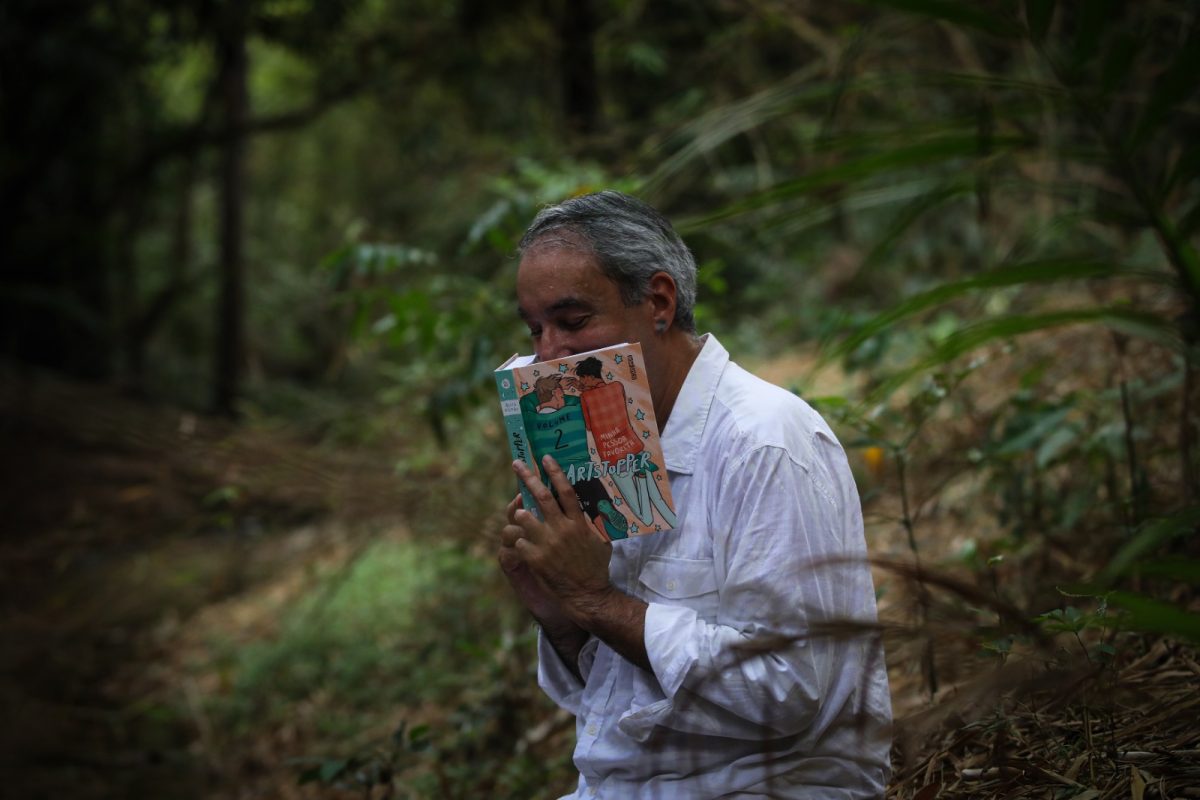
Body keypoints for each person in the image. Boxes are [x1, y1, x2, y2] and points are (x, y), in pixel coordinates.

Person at [497, 191, 891, 799]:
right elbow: (610, 697)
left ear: (658, 302)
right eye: (535, 329)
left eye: (572, 322)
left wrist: (596, 600)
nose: (547, 354)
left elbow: (790, 690)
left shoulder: (762, 443)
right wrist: (559, 611)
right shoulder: (606, 450)